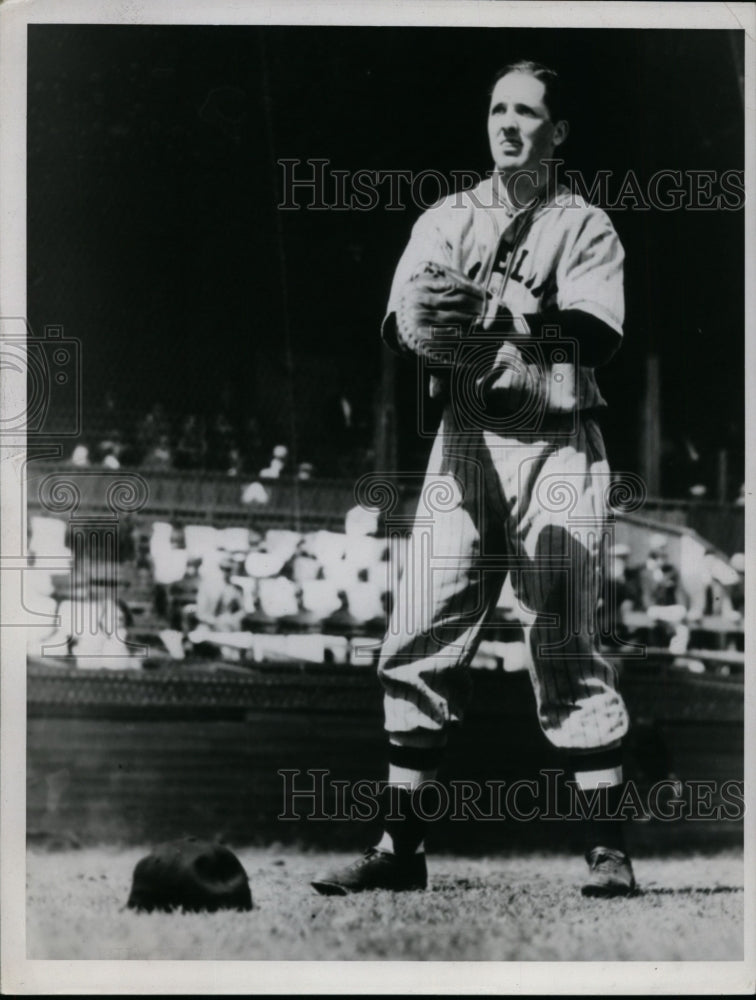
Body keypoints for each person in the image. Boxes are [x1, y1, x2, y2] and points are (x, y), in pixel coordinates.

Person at [312, 61, 635, 898]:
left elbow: (596, 338)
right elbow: (404, 325)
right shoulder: (446, 218)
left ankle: (606, 850)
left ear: (557, 133)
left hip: (556, 441)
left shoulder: (586, 225)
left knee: (563, 634)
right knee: (417, 633)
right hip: (466, 442)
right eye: (497, 107)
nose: (508, 123)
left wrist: (510, 319)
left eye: (527, 111)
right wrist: (444, 331)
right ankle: (399, 850)